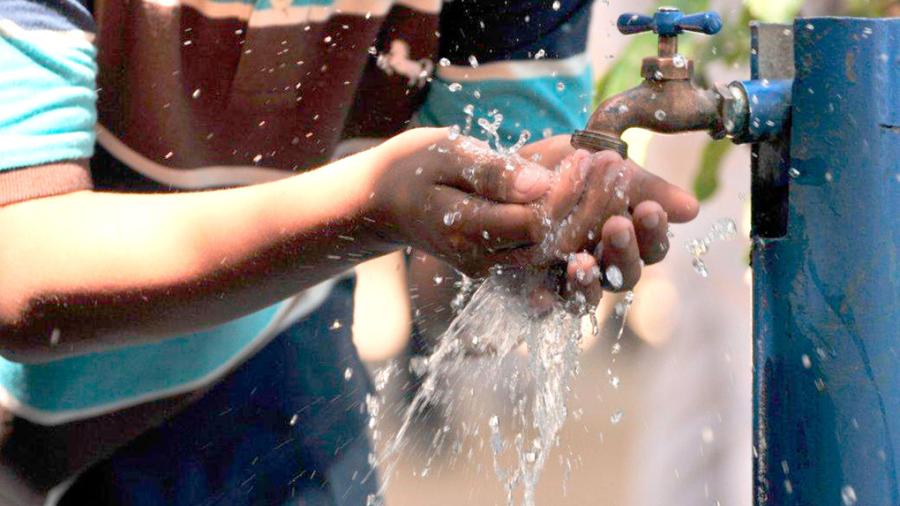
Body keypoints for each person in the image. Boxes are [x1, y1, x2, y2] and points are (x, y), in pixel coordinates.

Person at [0, 0, 698, 503]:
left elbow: (462, 277)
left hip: (264, 353)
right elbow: (17, 261)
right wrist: (365, 210)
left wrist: (531, 229)